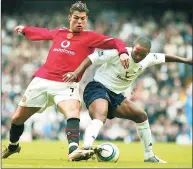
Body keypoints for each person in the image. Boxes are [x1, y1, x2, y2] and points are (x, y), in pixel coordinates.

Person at [2, 1, 130, 161]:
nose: (80, 22)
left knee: (73, 112)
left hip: (66, 85)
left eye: (83, 19)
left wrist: (123, 52)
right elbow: (43, 33)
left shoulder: (91, 37)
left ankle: (74, 150)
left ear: (86, 19)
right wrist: (25, 29)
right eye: (76, 18)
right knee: (17, 119)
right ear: (70, 17)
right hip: (42, 81)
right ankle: (13, 146)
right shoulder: (60, 32)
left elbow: (116, 41)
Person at [63, 36, 192, 163]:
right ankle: (85, 148)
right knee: (101, 115)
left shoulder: (149, 58)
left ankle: (149, 156)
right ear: (132, 47)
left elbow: (165, 57)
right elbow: (92, 58)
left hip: (116, 95)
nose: (137, 57)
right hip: (97, 87)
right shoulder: (118, 53)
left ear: (148, 54)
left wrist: (185, 60)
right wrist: (76, 72)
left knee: (141, 116)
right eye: (136, 52)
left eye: (142, 55)